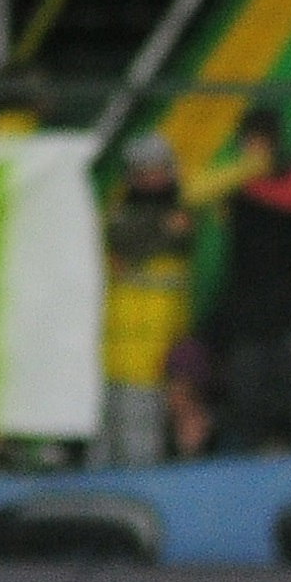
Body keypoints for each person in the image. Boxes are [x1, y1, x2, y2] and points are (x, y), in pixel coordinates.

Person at [199, 106, 291, 454]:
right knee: (248, 417)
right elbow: (195, 192)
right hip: (248, 322)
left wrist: (250, 179)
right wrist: (243, 174)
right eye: (248, 142)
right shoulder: (236, 183)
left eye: (259, 142)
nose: (253, 149)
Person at [94, 131, 196, 467]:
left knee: (140, 458)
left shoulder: (183, 218)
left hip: (153, 366)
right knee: (104, 456)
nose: (152, 178)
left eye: (158, 170)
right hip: (107, 362)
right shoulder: (118, 218)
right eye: (143, 171)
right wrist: (166, 230)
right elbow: (124, 245)